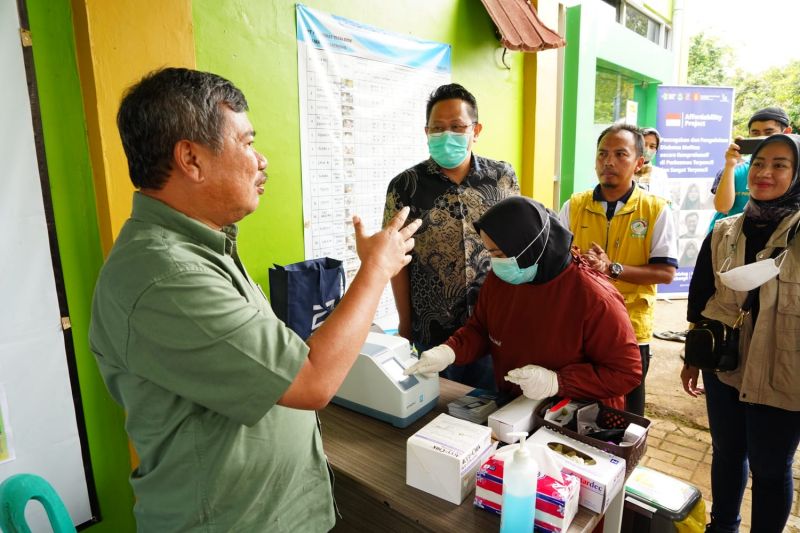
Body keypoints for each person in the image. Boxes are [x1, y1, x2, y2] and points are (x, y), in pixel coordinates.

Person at [88, 68, 421, 531]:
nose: (261, 160)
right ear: (191, 158)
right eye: (246, 143)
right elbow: (310, 380)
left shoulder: (205, 246)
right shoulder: (166, 275)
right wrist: (376, 270)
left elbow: (275, 361)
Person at [404, 196, 641, 409]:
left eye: (499, 254)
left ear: (530, 247)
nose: (494, 262)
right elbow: (481, 329)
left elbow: (626, 373)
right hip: (516, 407)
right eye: (489, 252)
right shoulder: (500, 280)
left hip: (576, 418)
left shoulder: (595, 298)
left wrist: (557, 382)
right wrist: (449, 351)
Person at [681, 133, 800, 533]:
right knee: (727, 454)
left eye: (780, 165)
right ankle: (723, 526)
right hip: (724, 364)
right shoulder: (724, 231)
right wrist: (691, 359)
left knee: (770, 469)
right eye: (761, 163)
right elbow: (700, 298)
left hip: (784, 372)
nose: (766, 173)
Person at [384, 83, 519, 391]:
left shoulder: (502, 177)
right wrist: (405, 326)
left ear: (476, 129)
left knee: (495, 409)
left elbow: (517, 246)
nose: (447, 135)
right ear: (426, 131)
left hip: (495, 326)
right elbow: (397, 262)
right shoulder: (405, 186)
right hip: (434, 333)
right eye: (438, 128)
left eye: (457, 127)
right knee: (439, 417)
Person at [559, 123, 677, 416]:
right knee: (575, 410)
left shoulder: (655, 209)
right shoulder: (575, 205)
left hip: (631, 330)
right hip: (580, 328)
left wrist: (612, 268)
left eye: (620, 154)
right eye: (602, 154)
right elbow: (556, 262)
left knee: (625, 415)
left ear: (639, 162)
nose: (608, 162)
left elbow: (665, 273)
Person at [708, 106, 793, 232]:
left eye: (769, 133)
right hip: (726, 239)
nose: (761, 138)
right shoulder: (735, 168)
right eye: (755, 133)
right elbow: (722, 207)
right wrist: (730, 164)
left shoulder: (794, 170)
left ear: (786, 132)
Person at [635, 127, 670, 200]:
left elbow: (666, 201)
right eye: (644, 144)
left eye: (652, 146)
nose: (647, 149)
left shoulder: (661, 174)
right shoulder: (626, 170)